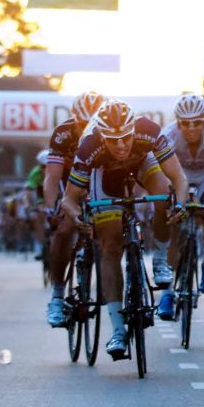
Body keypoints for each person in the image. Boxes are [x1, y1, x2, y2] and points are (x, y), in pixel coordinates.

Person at [59, 100, 188, 358]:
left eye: (125, 138)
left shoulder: (148, 131)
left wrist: (180, 204)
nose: (120, 145)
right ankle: (118, 330)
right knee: (110, 245)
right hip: (103, 172)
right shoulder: (89, 146)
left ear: (133, 130)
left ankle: (160, 259)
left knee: (164, 196)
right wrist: (77, 217)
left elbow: (179, 178)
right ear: (101, 136)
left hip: (141, 162)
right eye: (112, 140)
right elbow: (69, 200)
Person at [158, 93, 204, 321]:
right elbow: (164, 175)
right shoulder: (167, 135)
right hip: (179, 177)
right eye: (185, 123)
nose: (191, 128)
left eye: (197, 122)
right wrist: (174, 205)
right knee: (175, 226)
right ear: (178, 122)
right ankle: (167, 292)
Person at [41, 91, 104, 327]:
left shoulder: (110, 133)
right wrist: (51, 208)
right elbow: (52, 176)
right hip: (71, 185)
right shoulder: (62, 134)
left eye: (94, 124)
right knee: (64, 230)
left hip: (99, 184)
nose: (88, 128)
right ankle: (57, 295)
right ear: (74, 119)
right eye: (83, 123)